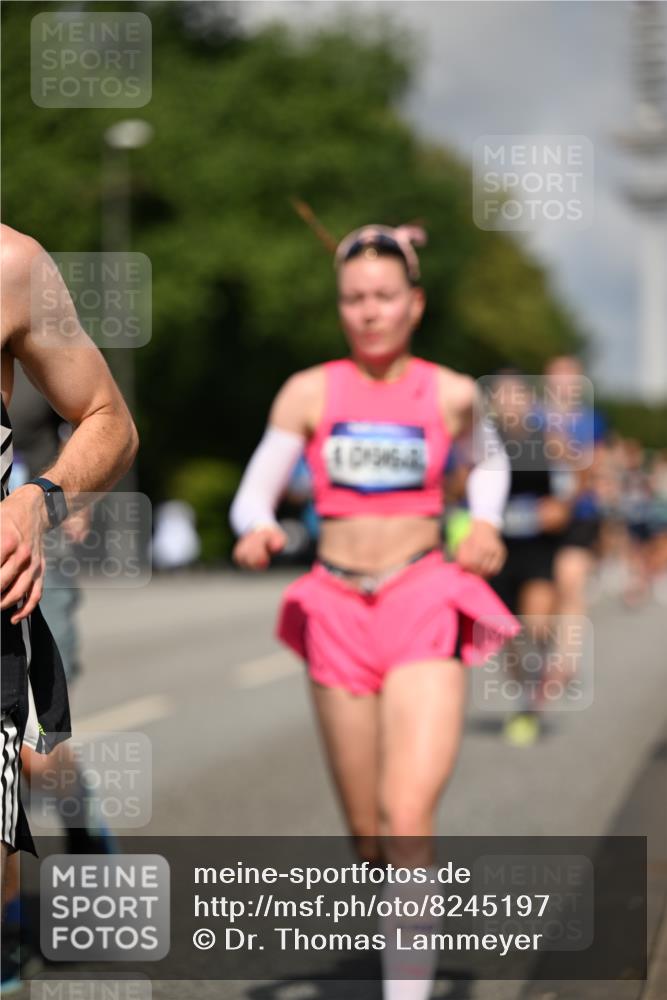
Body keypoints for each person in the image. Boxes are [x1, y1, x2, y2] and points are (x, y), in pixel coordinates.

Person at [230, 223, 520, 1000]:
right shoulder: (309, 390)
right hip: (334, 605)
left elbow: (488, 465)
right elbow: (256, 488)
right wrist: (254, 525)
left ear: (414, 303)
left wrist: (483, 521)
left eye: (384, 296)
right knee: (368, 838)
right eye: (353, 299)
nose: (368, 311)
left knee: (404, 815)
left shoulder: (453, 392)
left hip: (423, 595)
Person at [1, 224, 138, 988]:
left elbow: (101, 419)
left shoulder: (15, 279)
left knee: (34, 747)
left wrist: (52, 500)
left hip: (25, 555)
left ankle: (86, 861)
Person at [486, 369, 572, 746]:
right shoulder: (482, 442)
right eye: (502, 396)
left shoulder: (547, 441)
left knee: (535, 623)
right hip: (498, 550)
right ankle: (524, 699)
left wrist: (559, 507)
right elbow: (458, 485)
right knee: (509, 635)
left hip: (537, 546)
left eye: (516, 396)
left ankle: (540, 682)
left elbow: (571, 486)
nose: (510, 403)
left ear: (528, 400)